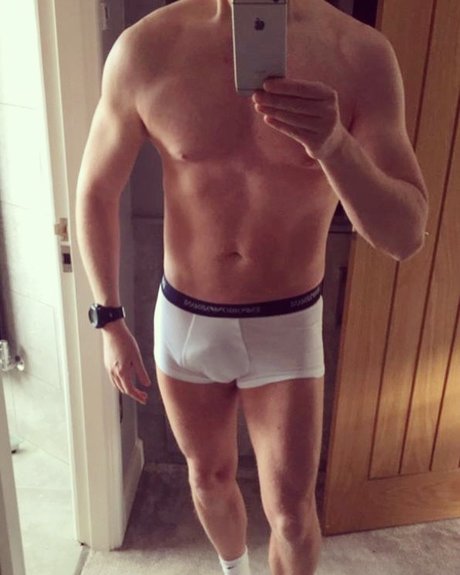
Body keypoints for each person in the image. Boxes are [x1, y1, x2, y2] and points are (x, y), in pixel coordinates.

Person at [75, 1, 429, 574]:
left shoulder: (359, 54)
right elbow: (95, 190)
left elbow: (405, 234)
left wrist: (333, 143)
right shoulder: (146, 49)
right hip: (187, 318)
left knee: (291, 515)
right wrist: (109, 319)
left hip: (287, 324)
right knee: (206, 478)